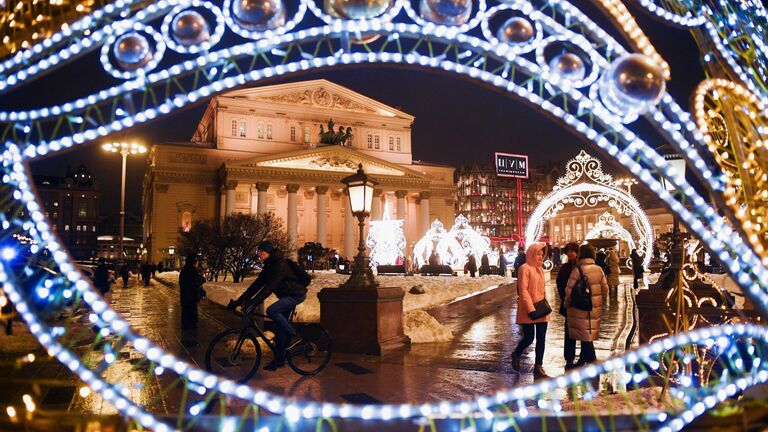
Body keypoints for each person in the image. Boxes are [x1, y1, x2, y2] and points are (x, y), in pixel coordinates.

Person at [230, 242, 308, 371]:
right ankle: (279, 361)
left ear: (269, 252)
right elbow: (256, 285)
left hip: (296, 295)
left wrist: (254, 302)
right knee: (279, 329)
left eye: (262, 252)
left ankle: (293, 335)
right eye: (259, 251)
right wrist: (239, 301)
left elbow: (270, 287)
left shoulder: (279, 265)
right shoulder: (269, 265)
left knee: (272, 310)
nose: (260, 254)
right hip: (286, 296)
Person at [511, 243, 551, 379]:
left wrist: (545, 304)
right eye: (538, 254)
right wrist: (531, 309)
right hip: (529, 309)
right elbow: (523, 290)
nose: (540, 257)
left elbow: (542, 290)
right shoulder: (524, 268)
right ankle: (516, 353)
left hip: (541, 309)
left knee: (541, 339)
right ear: (531, 254)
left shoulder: (540, 269)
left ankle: (538, 367)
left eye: (542, 254)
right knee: (529, 338)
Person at [564, 244, 608, 365]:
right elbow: (605, 288)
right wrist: (600, 302)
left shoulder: (577, 270)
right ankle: (584, 358)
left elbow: (568, 289)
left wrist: (567, 303)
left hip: (580, 307)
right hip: (594, 308)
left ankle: (592, 361)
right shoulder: (598, 269)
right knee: (587, 333)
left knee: (585, 335)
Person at [555, 242, 580, 370]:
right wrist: (564, 298)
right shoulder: (565, 267)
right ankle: (569, 358)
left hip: (580, 304)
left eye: (573, 251)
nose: (570, 253)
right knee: (569, 332)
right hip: (568, 304)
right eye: (568, 251)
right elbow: (559, 283)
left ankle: (584, 355)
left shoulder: (581, 266)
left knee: (583, 331)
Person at [179, 254, 206, 332]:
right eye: (196, 261)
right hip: (192, 295)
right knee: (192, 311)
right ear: (194, 262)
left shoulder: (184, 269)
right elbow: (199, 281)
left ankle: (185, 326)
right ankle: (191, 329)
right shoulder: (193, 270)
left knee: (185, 311)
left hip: (185, 295)